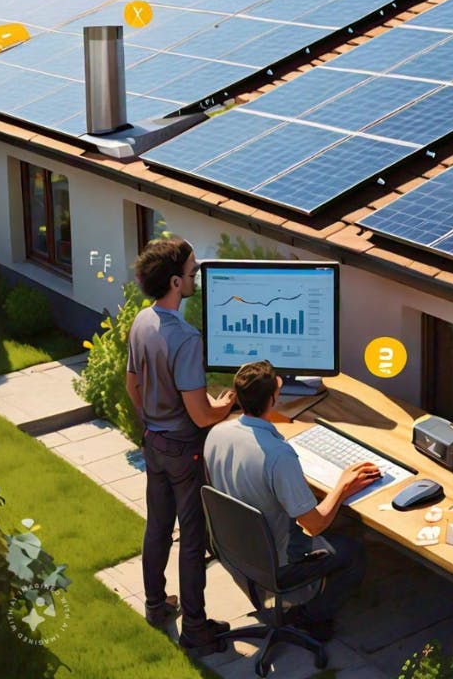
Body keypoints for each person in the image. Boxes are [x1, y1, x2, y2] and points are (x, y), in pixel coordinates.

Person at [203, 360, 377, 642]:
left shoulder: (217, 433)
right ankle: (312, 617)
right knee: (352, 551)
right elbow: (315, 524)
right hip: (277, 562)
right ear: (273, 398)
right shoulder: (278, 455)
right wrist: (342, 487)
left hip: (235, 548)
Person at [126, 237, 235, 654]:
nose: (196, 280)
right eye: (192, 274)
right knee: (192, 537)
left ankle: (156, 606)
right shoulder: (186, 339)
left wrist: (153, 419)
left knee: (157, 525)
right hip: (182, 449)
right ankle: (195, 628)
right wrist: (226, 405)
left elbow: (133, 385)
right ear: (175, 281)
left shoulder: (141, 321)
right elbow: (201, 415)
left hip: (153, 441)